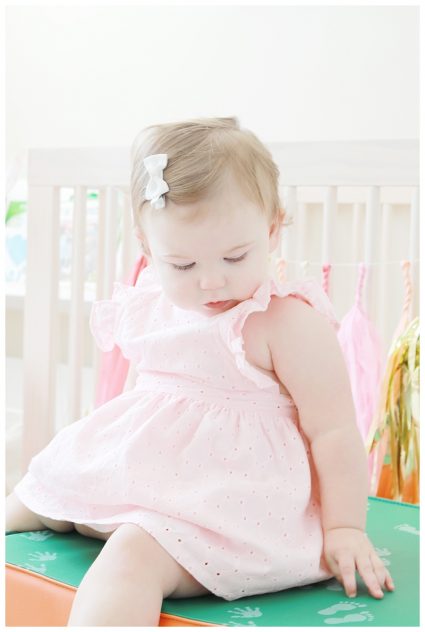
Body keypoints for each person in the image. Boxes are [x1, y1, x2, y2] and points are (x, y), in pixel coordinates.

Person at [6, 117, 395, 626]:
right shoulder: (155, 304)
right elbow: (143, 398)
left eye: (235, 257)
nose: (211, 281)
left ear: (273, 230)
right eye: (183, 266)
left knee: (133, 552)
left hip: (229, 506)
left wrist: (345, 528)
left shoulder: (286, 323)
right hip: (147, 471)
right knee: (36, 491)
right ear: (148, 250)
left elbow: (335, 432)